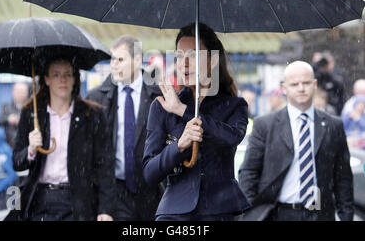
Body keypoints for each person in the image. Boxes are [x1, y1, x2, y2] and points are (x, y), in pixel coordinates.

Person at [142, 23, 251, 221]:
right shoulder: (162, 106)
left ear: (213, 60)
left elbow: (231, 137)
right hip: (174, 213)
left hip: (220, 210)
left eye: (193, 56)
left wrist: (182, 111)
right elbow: (150, 173)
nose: (184, 64)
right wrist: (178, 146)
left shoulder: (234, 105)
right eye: (179, 57)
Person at [239, 61, 353, 221]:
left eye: (306, 83)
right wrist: (250, 214)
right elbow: (249, 172)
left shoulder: (333, 125)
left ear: (314, 84)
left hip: (321, 214)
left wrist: (346, 216)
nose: (301, 88)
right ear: (284, 88)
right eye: (294, 84)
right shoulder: (265, 125)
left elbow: (343, 177)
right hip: (279, 214)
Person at [9, 56, 114, 221]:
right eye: (56, 75)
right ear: (47, 79)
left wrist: (105, 209)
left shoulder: (92, 115)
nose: (62, 80)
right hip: (40, 199)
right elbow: (17, 162)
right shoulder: (31, 113)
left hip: (78, 202)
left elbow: (105, 166)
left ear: (74, 79)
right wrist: (31, 149)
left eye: (68, 74)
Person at [86, 35, 163, 221]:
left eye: (120, 59)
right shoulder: (97, 98)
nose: (114, 65)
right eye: (113, 59)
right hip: (116, 192)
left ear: (137, 60)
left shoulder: (159, 95)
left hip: (152, 191)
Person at [0, 82, 29, 149]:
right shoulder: (6, 107)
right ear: (13, 92)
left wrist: (22, 121)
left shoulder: (31, 107)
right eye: (18, 91)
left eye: (23, 91)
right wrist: (8, 119)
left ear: (27, 93)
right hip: (10, 143)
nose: (20, 94)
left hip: (26, 143)